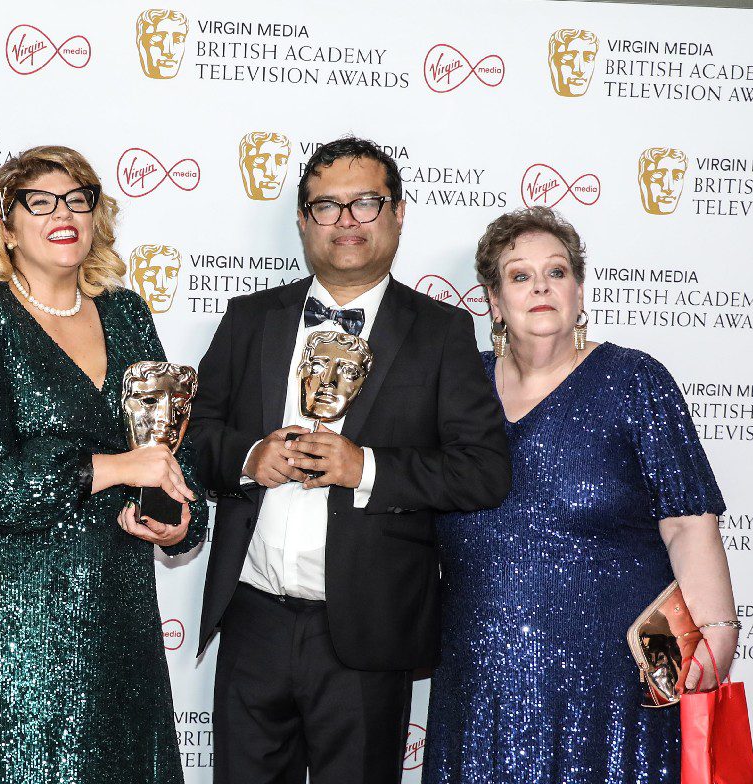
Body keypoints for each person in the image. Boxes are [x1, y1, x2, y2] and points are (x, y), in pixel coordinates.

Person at [188, 136, 511, 784]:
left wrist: (365, 468)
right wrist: (250, 457)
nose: (346, 221)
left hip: (368, 630)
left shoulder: (441, 331)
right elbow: (192, 435)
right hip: (252, 621)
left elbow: (484, 470)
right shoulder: (251, 318)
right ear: (303, 220)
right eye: (326, 206)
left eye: (365, 203)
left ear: (397, 213)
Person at [0, 146, 207, 784]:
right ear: (5, 225)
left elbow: (164, 446)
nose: (63, 214)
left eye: (78, 200)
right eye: (40, 202)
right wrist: (115, 469)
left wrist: (179, 518)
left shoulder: (126, 313)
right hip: (5, 605)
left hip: (114, 598)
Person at [422, 207, 738, 784]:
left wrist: (717, 631)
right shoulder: (455, 387)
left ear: (579, 291)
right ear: (493, 302)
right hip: (480, 681)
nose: (541, 287)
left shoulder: (634, 381)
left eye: (557, 272)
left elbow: (688, 522)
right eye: (520, 275)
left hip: (617, 684)